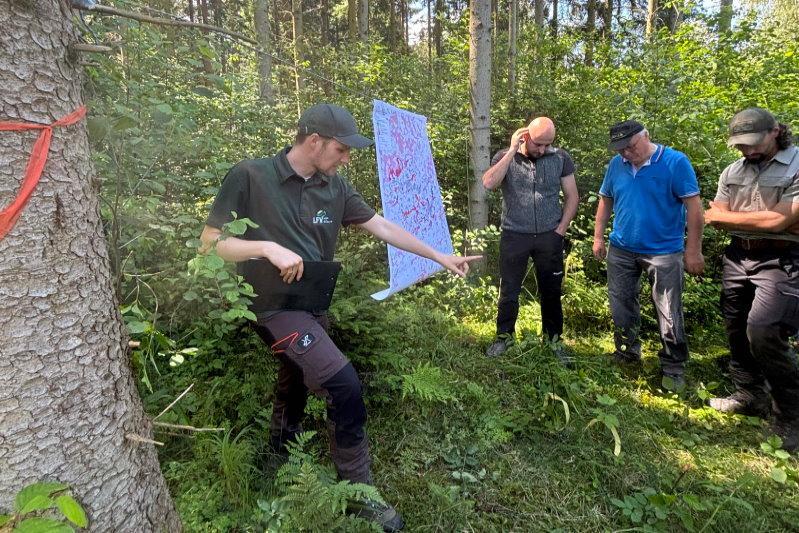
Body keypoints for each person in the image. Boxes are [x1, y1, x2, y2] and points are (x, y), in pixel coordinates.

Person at [199, 103, 480, 530]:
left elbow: (383, 227)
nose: (346, 158)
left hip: (313, 303)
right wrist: (265, 248)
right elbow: (209, 245)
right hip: (272, 307)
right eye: (341, 149)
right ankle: (359, 491)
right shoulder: (251, 175)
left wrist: (439, 256)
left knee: (294, 376)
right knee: (343, 384)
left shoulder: (336, 187)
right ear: (314, 141)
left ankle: (278, 449)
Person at [704, 108, 799, 452]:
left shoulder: (796, 165)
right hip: (738, 255)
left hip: (782, 259)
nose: (746, 151)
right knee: (735, 324)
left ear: (775, 131)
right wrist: (767, 219)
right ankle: (748, 393)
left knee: (764, 330)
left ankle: (789, 415)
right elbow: (713, 215)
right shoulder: (732, 171)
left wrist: (739, 218)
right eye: (740, 145)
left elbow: (779, 223)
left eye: (753, 143)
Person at [593, 120, 704, 391]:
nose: (625, 154)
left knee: (668, 310)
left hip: (664, 252)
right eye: (620, 149)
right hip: (621, 248)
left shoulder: (675, 162)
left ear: (646, 137)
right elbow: (605, 201)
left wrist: (693, 250)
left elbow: (694, 208)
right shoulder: (615, 166)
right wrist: (598, 237)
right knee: (621, 305)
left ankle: (673, 366)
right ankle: (627, 352)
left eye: (630, 147)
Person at [482, 117, 579, 363]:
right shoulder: (506, 156)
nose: (543, 150)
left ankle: (553, 341)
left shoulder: (560, 158)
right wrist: (513, 149)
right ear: (525, 137)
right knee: (509, 290)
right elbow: (490, 183)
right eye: (538, 144)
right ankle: (503, 338)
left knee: (551, 291)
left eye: (548, 144)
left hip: (550, 236)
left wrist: (561, 230)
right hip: (514, 235)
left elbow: (572, 196)